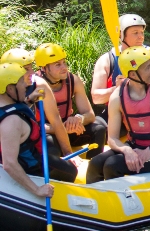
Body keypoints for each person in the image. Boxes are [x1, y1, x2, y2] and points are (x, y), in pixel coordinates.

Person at [86, 47, 150, 184]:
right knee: (95, 164)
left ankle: (119, 203)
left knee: (112, 165)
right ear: (132, 75)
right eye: (147, 67)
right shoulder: (117, 96)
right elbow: (112, 138)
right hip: (134, 146)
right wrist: (127, 151)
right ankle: (95, 201)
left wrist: (149, 151)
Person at [0, 62, 77, 195]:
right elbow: (9, 164)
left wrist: (29, 100)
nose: (26, 85)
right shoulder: (11, 122)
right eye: (21, 82)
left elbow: (16, 108)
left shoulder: (7, 105)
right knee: (70, 170)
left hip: (31, 156)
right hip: (32, 167)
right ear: (10, 89)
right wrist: (37, 190)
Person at [34, 43, 107, 159]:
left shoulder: (73, 80)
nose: (64, 68)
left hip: (69, 129)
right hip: (49, 132)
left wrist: (78, 119)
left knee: (99, 129)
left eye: (64, 63)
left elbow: (90, 115)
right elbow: (34, 127)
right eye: (57, 65)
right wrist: (61, 129)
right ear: (44, 68)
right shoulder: (35, 86)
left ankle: (94, 165)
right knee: (51, 147)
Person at [1, 49, 73, 159]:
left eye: (31, 67)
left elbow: (55, 119)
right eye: (25, 69)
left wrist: (68, 153)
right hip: (8, 139)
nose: (32, 73)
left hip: (30, 137)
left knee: (52, 151)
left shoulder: (39, 84)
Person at [90, 14, 146, 118]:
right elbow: (96, 98)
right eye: (135, 33)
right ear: (121, 35)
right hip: (117, 114)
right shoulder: (106, 60)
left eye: (142, 32)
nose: (141, 36)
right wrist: (117, 88)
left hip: (147, 111)